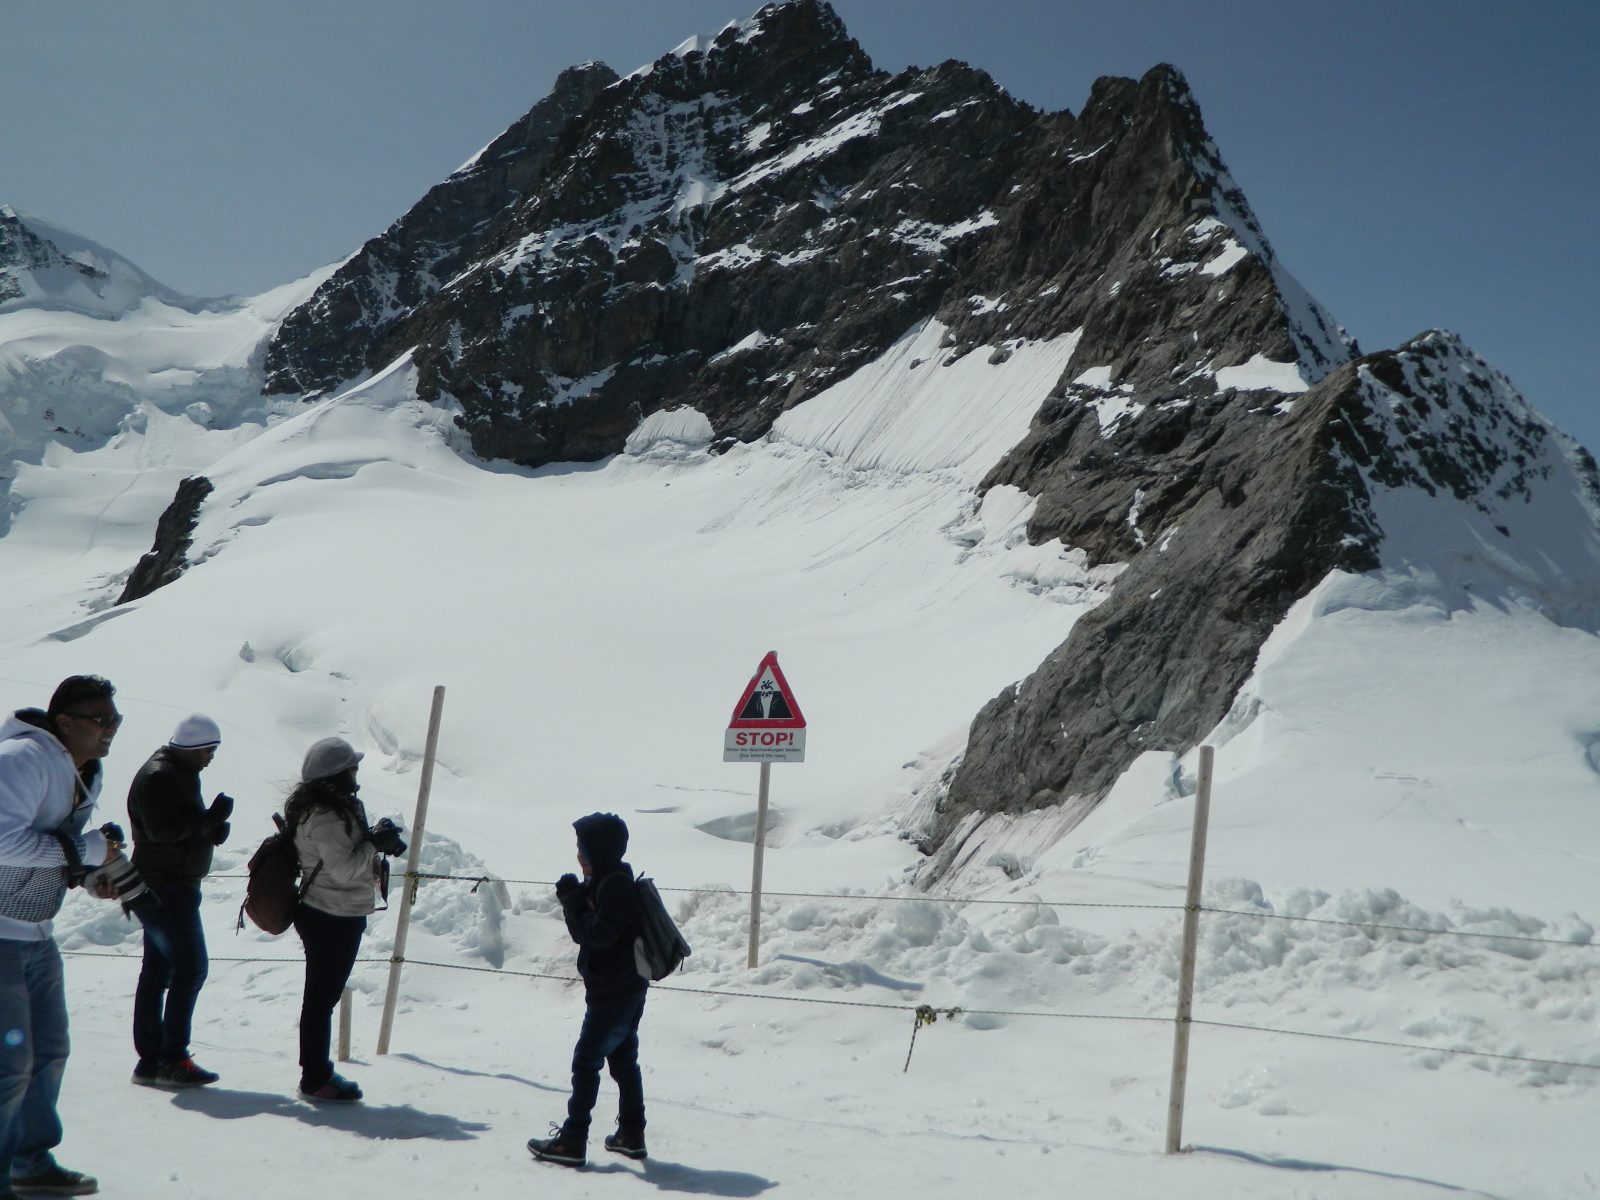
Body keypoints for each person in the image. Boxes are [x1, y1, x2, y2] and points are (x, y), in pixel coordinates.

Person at [0, 676, 127, 1198]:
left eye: (115, 720)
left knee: (50, 1052)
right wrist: (85, 853)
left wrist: (89, 873)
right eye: (101, 720)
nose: (111, 730)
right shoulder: (21, 758)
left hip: (36, 933)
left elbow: (56, 848)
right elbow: (5, 842)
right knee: (9, 1066)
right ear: (66, 722)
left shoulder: (81, 773)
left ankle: (29, 1161)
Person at [286, 737, 405, 1103]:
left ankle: (316, 1072)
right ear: (338, 774)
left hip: (335, 912)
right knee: (321, 999)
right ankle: (315, 1078)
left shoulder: (334, 808)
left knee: (322, 998)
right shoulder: (324, 816)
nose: (356, 773)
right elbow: (343, 869)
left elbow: (346, 853)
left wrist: (372, 838)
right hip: (330, 914)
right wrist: (375, 845)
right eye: (351, 767)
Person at [528, 812, 649, 1169]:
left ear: (599, 850)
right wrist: (579, 895)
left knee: (586, 1061)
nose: (579, 854)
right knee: (623, 1059)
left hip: (613, 991)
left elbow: (595, 935)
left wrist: (572, 902)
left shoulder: (614, 886)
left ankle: (573, 1140)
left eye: (583, 847)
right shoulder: (609, 879)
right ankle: (631, 1134)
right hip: (624, 987)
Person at [126, 713, 233, 1089]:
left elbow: (174, 827)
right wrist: (208, 821)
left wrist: (210, 829)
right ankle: (172, 1058)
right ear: (192, 747)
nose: (211, 757)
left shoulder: (178, 772)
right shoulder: (160, 776)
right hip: (165, 885)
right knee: (190, 968)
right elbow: (163, 830)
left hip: (168, 882)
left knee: (159, 971)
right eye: (209, 750)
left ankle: (152, 1061)